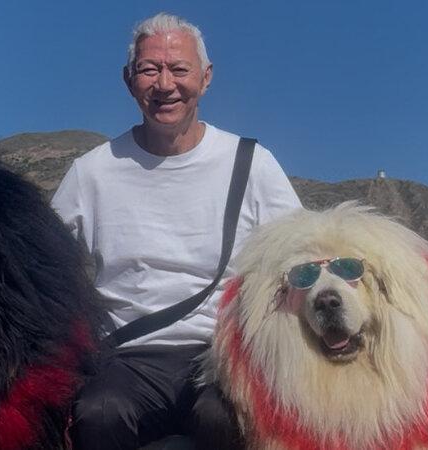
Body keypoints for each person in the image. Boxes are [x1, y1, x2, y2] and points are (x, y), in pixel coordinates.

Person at [51, 12, 302, 450]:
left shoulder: (251, 163)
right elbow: (41, 262)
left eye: (179, 69)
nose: (165, 84)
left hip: (221, 353)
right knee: (98, 414)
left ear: (205, 78)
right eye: (150, 69)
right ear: (129, 80)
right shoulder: (92, 172)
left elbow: (300, 252)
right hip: (127, 358)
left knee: (226, 417)